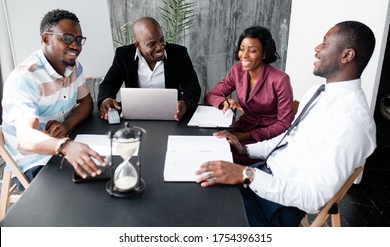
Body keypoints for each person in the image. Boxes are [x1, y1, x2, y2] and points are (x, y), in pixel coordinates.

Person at [196, 21, 377, 226]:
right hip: (263, 173)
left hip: (277, 204)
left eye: (325, 43)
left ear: (347, 55)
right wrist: (244, 149)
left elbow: (315, 198)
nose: (317, 48)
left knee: (203, 215)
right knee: (196, 188)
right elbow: (287, 140)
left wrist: (247, 174)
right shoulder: (317, 93)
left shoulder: (352, 121)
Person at [2, 9, 106, 189]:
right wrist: (65, 146)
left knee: (105, 173)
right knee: (87, 190)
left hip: (63, 145)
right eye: (66, 38)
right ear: (45, 38)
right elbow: (26, 138)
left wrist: (66, 125)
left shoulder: (73, 67)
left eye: (79, 40)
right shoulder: (25, 79)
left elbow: (86, 103)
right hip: (34, 161)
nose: (75, 45)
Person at [204, 26, 294, 164]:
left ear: (264, 53)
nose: (244, 55)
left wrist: (242, 136)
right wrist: (224, 101)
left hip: (267, 137)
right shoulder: (237, 70)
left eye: (252, 51)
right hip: (241, 127)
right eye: (242, 48)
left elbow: (284, 124)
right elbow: (211, 95)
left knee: (227, 155)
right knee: (210, 145)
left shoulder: (280, 79)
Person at [97, 17, 201, 121]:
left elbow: (192, 87)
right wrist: (106, 99)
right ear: (138, 45)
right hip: (135, 117)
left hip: (172, 118)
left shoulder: (179, 53)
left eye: (162, 40)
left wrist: (185, 102)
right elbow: (108, 84)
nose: (160, 47)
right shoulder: (123, 55)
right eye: (152, 44)